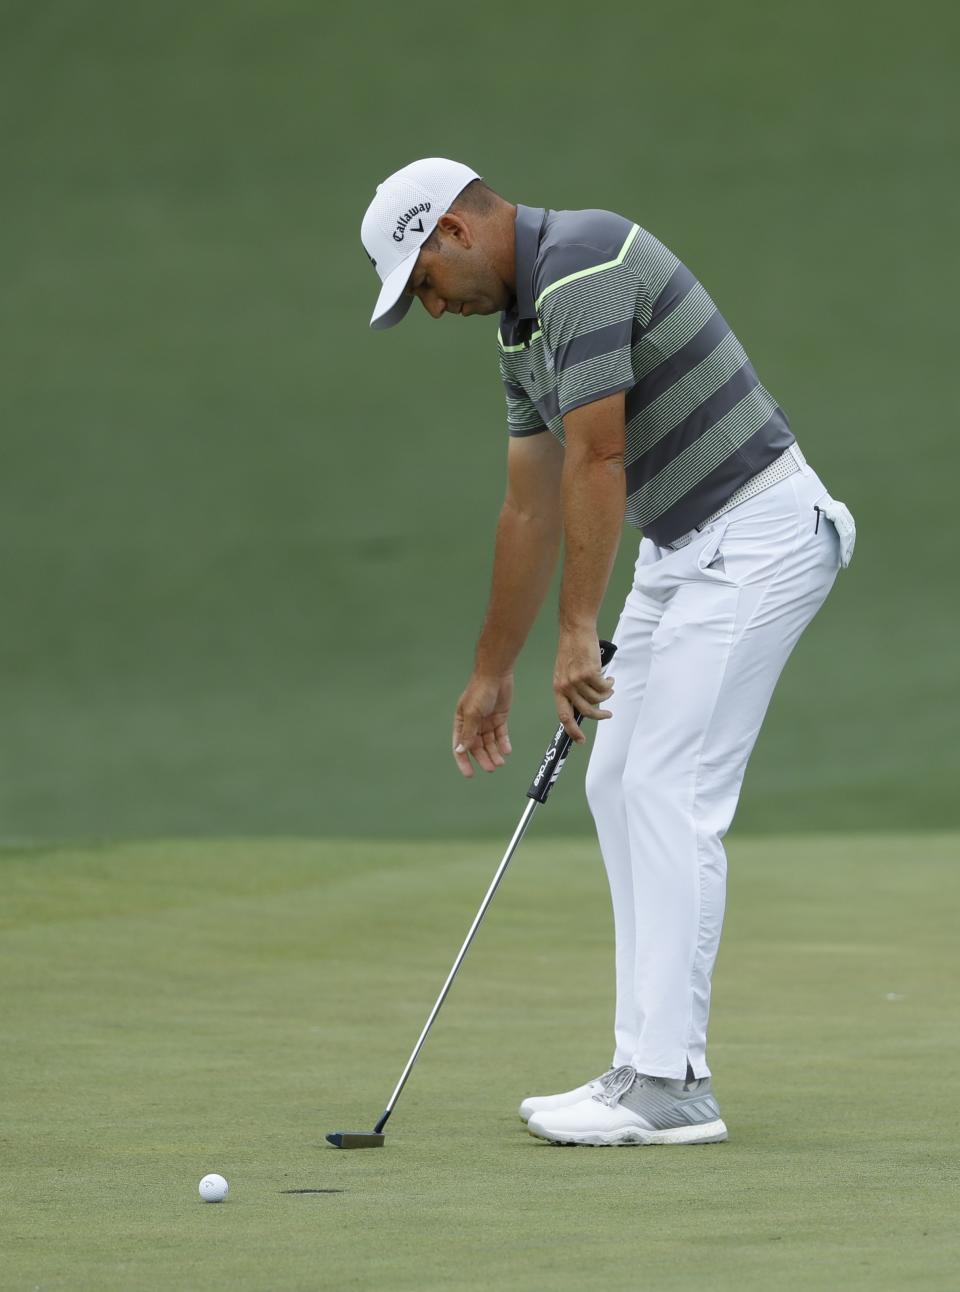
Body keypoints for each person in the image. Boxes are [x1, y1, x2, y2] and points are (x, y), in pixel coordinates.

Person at [360, 158, 855, 1146]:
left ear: (452, 230)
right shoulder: (521, 329)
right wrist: (492, 670)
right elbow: (529, 501)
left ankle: (672, 1082)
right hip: (684, 549)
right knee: (617, 776)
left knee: (669, 780)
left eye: (422, 283)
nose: (433, 308)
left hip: (759, 535)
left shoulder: (584, 262)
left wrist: (577, 629)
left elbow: (598, 457)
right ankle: (646, 1065)